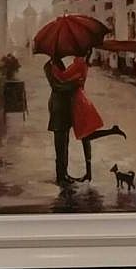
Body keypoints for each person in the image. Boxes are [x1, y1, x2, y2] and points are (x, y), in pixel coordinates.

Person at [50, 49, 126, 182]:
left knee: (86, 136)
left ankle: (112, 131)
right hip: (80, 101)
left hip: (78, 104)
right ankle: (89, 173)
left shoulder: (78, 64)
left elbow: (62, 78)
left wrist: (54, 69)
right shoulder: (82, 64)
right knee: (86, 137)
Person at [44, 56, 80, 186]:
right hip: (58, 109)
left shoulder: (58, 63)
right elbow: (57, 86)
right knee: (60, 145)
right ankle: (60, 176)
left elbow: (63, 80)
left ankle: (64, 173)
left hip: (64, 108)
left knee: (65, 144)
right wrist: (74, 84)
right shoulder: (48, 66)